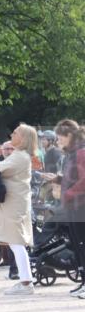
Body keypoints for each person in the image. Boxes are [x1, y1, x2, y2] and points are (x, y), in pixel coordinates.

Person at [0, 124, 37, 295]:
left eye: (16, 133)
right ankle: (25, 281)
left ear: (23, 138)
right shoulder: (20, 155)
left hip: (14, 205)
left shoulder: (20, 156)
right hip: (15, 203)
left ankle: (26, 282)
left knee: (16, 242)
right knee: (15, 242)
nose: (12, 134)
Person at [53, 120, 85, 298]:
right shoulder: (74, 153)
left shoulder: (81, 152)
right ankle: (83, 281)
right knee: (78, 245)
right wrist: (59, 179)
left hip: (80, 205)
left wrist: (68, 193)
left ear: (69, 136)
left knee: (83, 244)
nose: (58, 140)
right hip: (75, 205)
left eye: (60, 137)